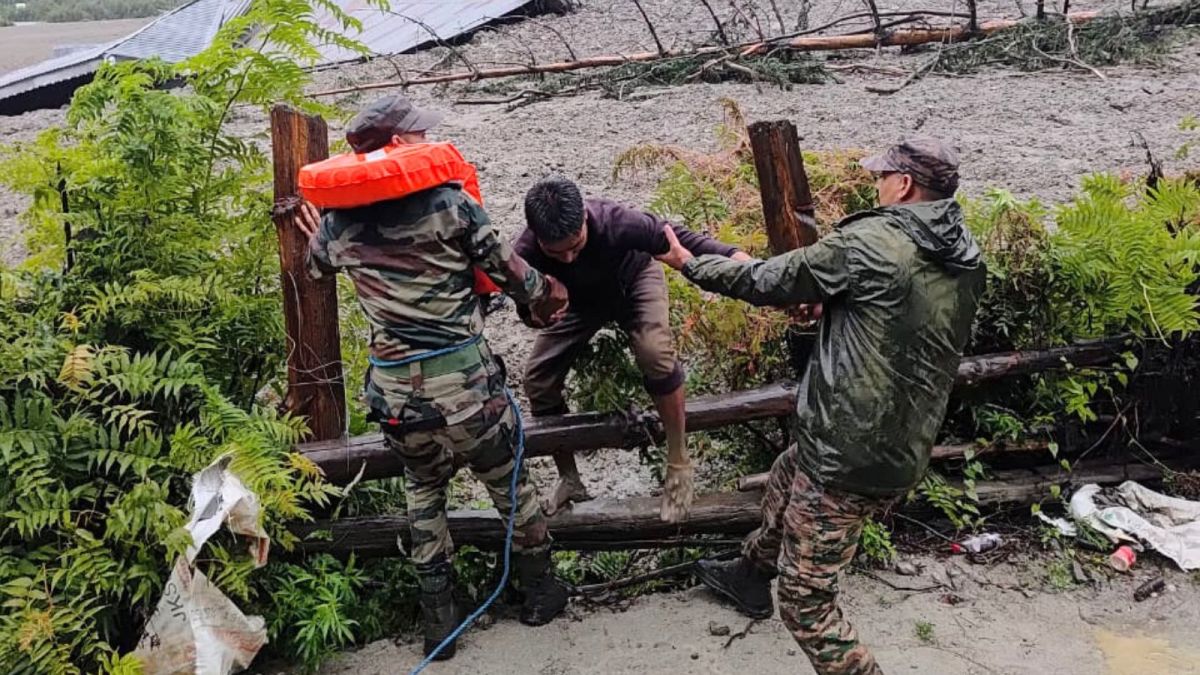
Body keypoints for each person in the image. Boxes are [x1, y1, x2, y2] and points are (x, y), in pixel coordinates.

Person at [657, 137, 986, 675]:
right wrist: (836, 298)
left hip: (848, 452)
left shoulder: (871, 241)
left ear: (903, 185)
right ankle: (748, 577)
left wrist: (689, 263)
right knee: (789, 477)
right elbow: (899, 315)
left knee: (807, 603)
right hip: (903, 441)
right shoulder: (965, 255)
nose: (874, 184)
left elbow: (767, 279)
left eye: (882, 177)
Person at [288, 94, 572, 661]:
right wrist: (553, 295)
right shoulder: (451, 205)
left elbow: (315, 267)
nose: (427, 141)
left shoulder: (339, 223)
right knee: (509, 483)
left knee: (423, 490)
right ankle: (539, 593)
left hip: (396, 397)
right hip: (467, 389)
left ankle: (439, 622)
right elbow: (514, 278)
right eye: (417, 135)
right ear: (397, 144)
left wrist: (318, 229)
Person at [514, 176, 752, 522]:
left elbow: (686, 241)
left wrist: (745, 263)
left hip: (634, 281)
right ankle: (569, 478)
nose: (567, 258)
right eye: (556, 252)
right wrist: (541, 313)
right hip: (577, 305)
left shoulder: (617, 222)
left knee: (654, 351)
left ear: (584, 218)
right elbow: (527, 313)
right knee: (538, 379)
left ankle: (679, 462)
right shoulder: (523, 254)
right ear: (537, 237)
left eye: (575, 246)